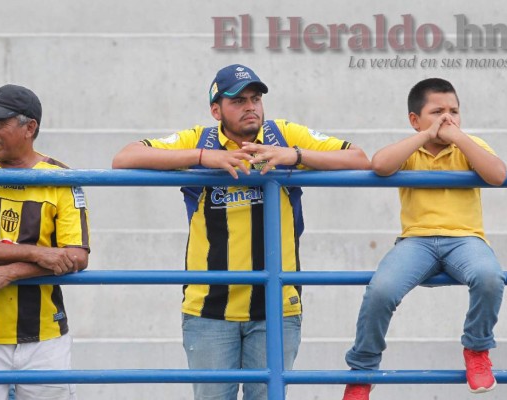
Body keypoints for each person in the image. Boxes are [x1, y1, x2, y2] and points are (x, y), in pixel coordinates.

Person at [112, 63, 371, 400]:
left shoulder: (283, 136)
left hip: (277, 305)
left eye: (255, 98)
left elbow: (360, 159)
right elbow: (124, 157)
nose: (250, 107)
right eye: (238, 101)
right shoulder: (201, 140)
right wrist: (205, 158)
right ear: (216, 109)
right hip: (208, 309)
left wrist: (291, 155)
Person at [342, 78, 506, 400]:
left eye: (454, 111)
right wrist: (424, 137)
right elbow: (380, 165)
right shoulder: (412, 149)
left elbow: (498, 174)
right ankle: (363, 370)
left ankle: (476, 349)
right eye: (437, 112)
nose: (448, 118)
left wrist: (458, 137)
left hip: (464, 239)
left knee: (490, 277)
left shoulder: (468, 146)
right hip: (416, 241)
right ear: (415, 119)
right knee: (381, 290)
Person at [0, 84, 90, 400]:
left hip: (45, 337)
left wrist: (11, 271)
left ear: (30, 127)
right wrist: (37, 253)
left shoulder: (61, 177)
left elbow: (76, 256)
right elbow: (56, 256)